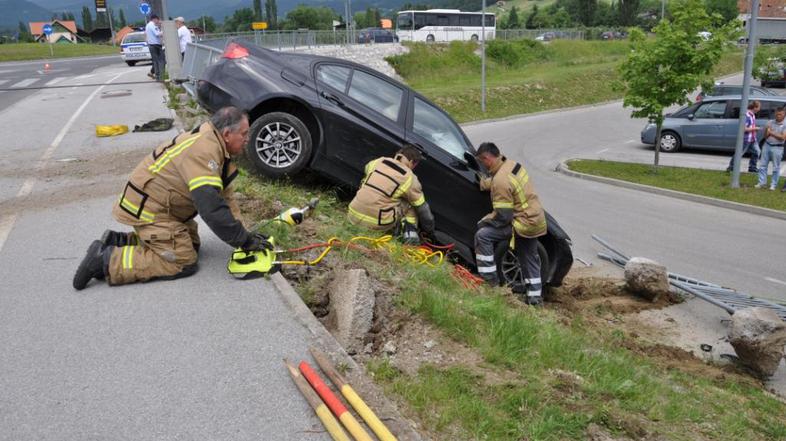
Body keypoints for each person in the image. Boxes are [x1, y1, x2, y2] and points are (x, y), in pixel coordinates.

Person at [73, 107, 272, 290]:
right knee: (182, 260)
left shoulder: (214, 143)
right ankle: (105, 259)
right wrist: (244, 241)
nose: (247, 139)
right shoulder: (205, 152)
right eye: (244, 134)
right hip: (151, 211)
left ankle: (119, 241)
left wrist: (245, 236)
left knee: (192, 245)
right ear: (227, 134)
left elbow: (226, 198)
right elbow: (211, 207)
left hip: (161, 208)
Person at [474, 142, 547, 306]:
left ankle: (490, 283)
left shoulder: (500, 180)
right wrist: (485, 183)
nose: (482, 166)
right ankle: (535, 300)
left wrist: (484, 221)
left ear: (487, 158)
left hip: (522, 224)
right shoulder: (512, 165)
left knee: (483, 236)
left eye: (482, 161)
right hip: (536, 219)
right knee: (529, 257)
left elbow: (503, 217)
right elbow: (502, 183)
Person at [347, 145, 435, 244]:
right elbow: (422, 208)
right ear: (411, 162)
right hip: (377, 223)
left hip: (352, 214)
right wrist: (429, 230)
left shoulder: (378, 161)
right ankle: (409, 236)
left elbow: (367, 172)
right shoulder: (410, 178)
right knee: (411, 204)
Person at [756, 106, 786, 191]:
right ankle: (762, 183)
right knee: (762, 165)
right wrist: (766, 130)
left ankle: (773, 185)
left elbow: (783, 137)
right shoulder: (770, 122)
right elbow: (765, 136)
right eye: (776, 114)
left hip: (778, 148)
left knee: (776, 167)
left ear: (784, 114)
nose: (778, 116)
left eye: (780, 114)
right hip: (767, 145)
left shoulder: (785, 124)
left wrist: (771, 132)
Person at [727, 100, 760, 173]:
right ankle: (731, 167)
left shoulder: (753, 115)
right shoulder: (747, 115)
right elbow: (744, 129)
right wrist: (755, 128)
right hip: (746, 139)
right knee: (739, 153)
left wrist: (754, 130)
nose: (759, 109)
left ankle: (752, 168)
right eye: (758, 107)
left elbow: (750, 126)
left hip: (752, 138)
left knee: (757, 152)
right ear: (754, 107)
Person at [145, 14, 165, 81]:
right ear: (154, 19)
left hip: (152, 45)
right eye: (157, 20)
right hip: (155, 45)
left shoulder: (148, 25)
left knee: (156, 62)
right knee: (161, 61)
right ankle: (160, 77)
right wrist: (164, 29)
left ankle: (158, 76)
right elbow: (158, 34)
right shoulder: (152, 25)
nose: (158, 21)